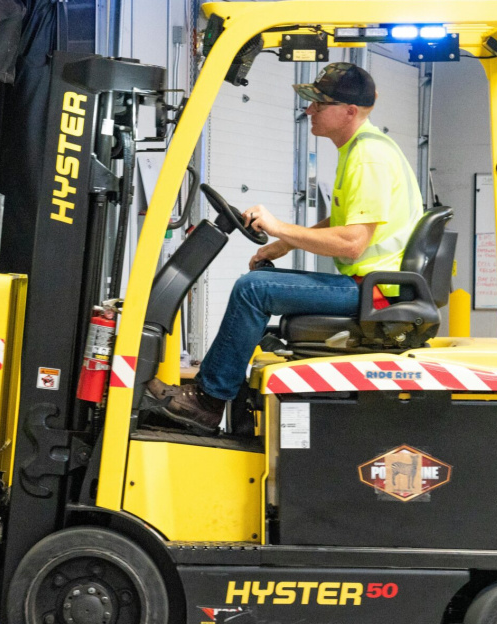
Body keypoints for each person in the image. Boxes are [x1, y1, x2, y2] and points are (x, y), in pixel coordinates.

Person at [146, 62, 424, 435]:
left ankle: (209, 402)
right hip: (372, 286)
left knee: (253, 289)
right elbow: (345, 220)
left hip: (376, 293)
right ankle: (224, 391)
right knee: (261, 280)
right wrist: (280, 243)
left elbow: (353, 242)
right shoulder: (360, 148)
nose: (308, 110)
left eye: (318, 104)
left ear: (349, 111)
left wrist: (279, 225)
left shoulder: (368, 157)